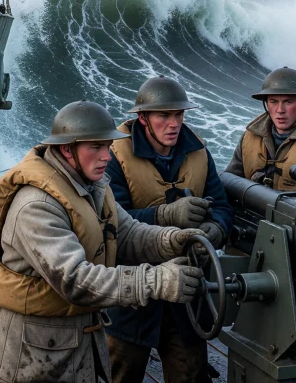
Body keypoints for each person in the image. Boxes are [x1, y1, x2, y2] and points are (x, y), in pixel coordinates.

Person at [0, 101, 211, 383]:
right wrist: (157, 281)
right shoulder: (36, 205)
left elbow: (127, 233)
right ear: (67, 149)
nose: (107, 156)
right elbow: (75, 279)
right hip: (31, 355)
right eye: (96, 148)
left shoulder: (92, 186)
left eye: (107, 146)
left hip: (67, 342)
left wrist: (174, 240)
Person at [104, 76, 234, 383]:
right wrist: (164, 214)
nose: (173, 123)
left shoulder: (199, 150)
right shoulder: (113, 155)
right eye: (164, 115)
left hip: (186, 289)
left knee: (190, 373)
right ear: (142, 118)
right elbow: (111, 224)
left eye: (179, 115)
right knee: (121, 371)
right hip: (134, 287)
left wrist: (215, 231)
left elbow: (224, 209)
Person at [225, 67, 296, 190]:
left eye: (288, 102)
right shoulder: (250, 136)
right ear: (266, 104)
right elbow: (230, 182)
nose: (280, 110)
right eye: (273, 101)